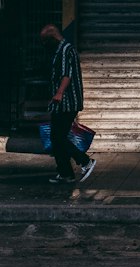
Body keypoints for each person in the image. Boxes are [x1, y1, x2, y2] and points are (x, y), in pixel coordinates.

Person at [40, 24, 97, 185]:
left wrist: (59, 93)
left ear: (53, 36)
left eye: (45, 40)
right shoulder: (59, 50)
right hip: (60, 102)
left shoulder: (66, 50)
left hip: (67, 102)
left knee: (58, 137)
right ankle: (65, 173)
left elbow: (66, 75)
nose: (44, 44)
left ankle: (85, 161)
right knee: (56, 138)